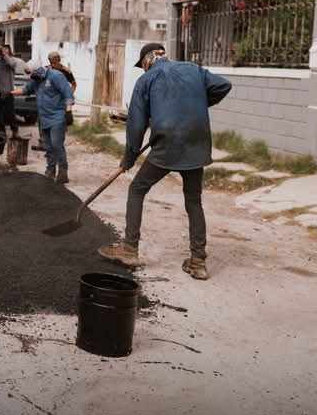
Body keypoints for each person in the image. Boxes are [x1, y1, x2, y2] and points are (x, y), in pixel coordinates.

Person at [98, 42, 232, 281]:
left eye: (142, 65)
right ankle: (198, 261)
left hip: (168, 144)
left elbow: (136, 125)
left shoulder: (147, 80)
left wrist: (129, 157)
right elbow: (224, 85)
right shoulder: (193, 70)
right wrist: (199, 102)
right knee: (193, 199)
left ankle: (129, 248)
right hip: (196, 143)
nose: (142, 69)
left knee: (137, 189)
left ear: (148, 60)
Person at [14, 57, 75, 182]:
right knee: (47, 146)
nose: (31, 76)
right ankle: (50, 170)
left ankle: (63, 172)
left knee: (57, 144)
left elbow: (67, 92)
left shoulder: (56, 76)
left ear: (39, 70)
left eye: (32, 73)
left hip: (57, 117)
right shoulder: (36, 80)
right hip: (44, 119)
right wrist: (9, 93)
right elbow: (26, 90)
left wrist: (68, 111)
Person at [0, 45, 22, 138]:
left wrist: (5, 55)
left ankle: (15, 130)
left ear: (9, 51)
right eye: (3, 48)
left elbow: (12, 64)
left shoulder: (12, 61)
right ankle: (1, 130)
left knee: (10, 112)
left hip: (8, 92)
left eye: (6, 49)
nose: (4, 50)